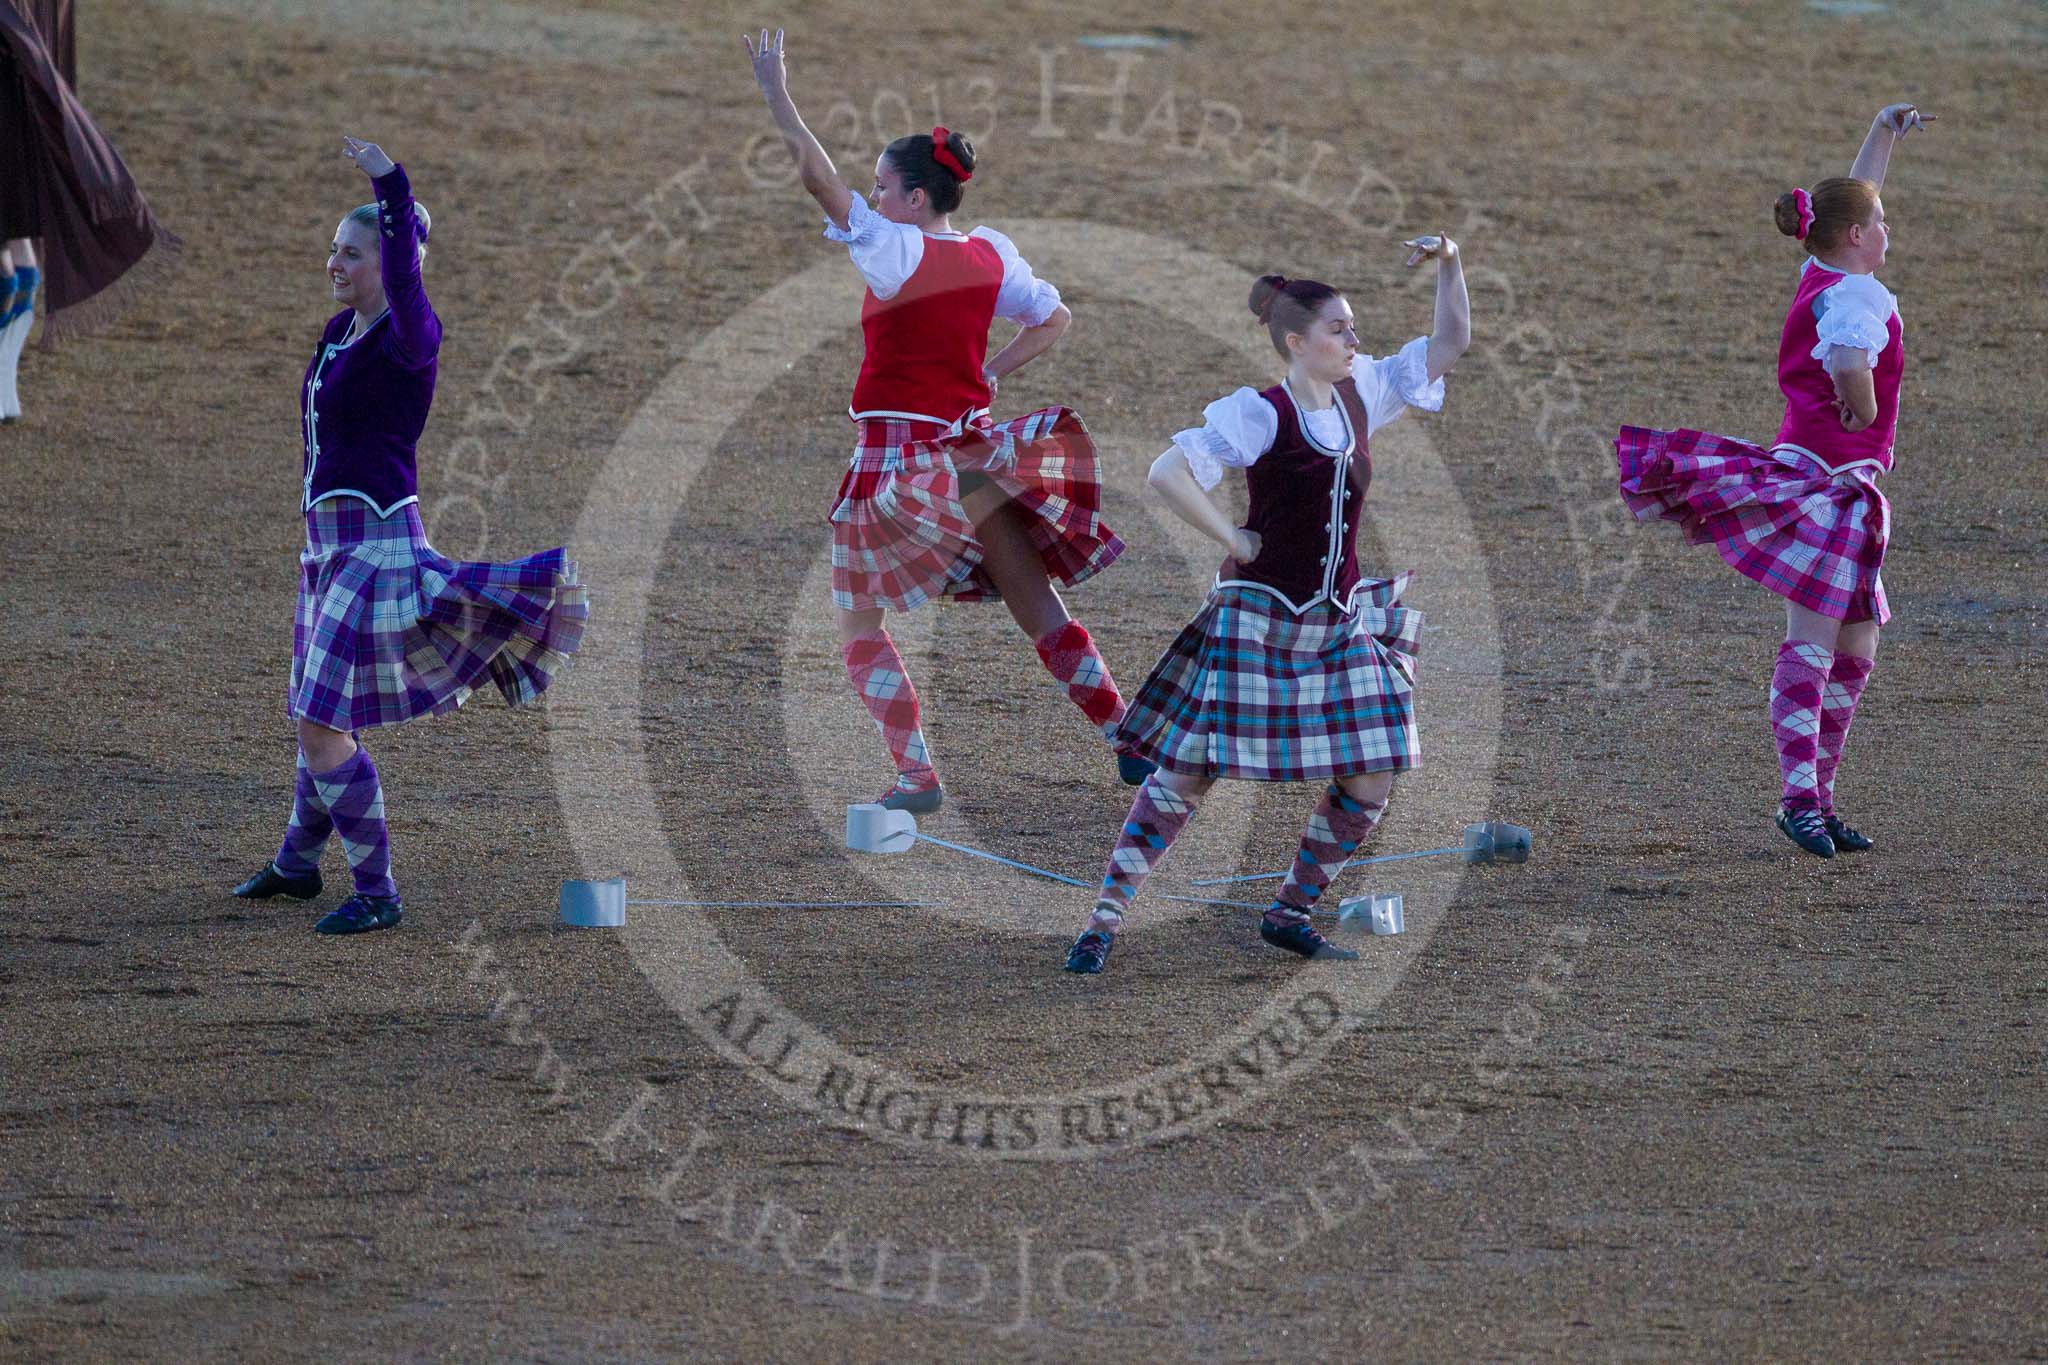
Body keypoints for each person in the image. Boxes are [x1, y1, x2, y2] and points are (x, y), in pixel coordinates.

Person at [745, 27, 1148, 815]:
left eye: (884, 187)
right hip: (973, 456)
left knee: (858, 623)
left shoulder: (893, 251)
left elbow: (816, 179)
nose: (875, 197)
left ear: (915, 197)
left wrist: (777, 94)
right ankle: (1128, 740)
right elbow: (1055, 318)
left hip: (897, 466)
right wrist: (989, 374)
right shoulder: (992, 255)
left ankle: (917, 775)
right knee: (1038, 604)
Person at [1064, 240, 1470, 974]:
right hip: (1257, 618)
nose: (1355, 339)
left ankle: (1289, 912)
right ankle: (1102, 920)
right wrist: (1231, 537)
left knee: (1370, 773)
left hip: (1335, 619)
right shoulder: (1259, 412)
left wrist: (1451, 262)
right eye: (1339, 329)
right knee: (1188, 775)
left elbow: (1450, 342)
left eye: (1352, 327)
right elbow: (1167, 472)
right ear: (1296, 342)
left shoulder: (1364, 391)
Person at [230, 137, 588, 935]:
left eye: (350, 254)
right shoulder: (337, 334)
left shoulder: (409, 336)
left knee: (322, 720)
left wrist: (391, 183)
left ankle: (378, 891)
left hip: (376, 549)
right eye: (332, 250)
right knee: (314, 710)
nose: (335, 264)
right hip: (326, 549)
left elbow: (402, 279)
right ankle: (296, 864)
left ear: (386, 261)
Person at [1615, 103, 1934, 860]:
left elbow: (1853, 196)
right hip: (1829, 485)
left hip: (1839, 493)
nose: (1888, 230)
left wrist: (1883, 134)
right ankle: (1799, 802)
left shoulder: (1823, 268)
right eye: (1881, 223)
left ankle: (1819, 798)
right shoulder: (1857, 295)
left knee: (1856, 650)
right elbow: (1852, 369)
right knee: (1816, 646)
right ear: (1856, 237)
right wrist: (1862, 407)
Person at [0, 0, 178, 377]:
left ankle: (5, 368)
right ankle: (6, 372)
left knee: (9, 241)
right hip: (33, 106)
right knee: (15, 244)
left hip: (16, 104)